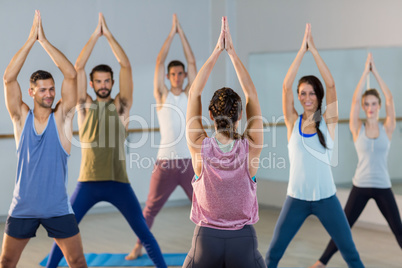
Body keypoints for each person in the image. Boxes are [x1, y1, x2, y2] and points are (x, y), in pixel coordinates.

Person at [46, 13, 167, 268]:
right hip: (88, 182)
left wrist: (108, 36)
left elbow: (126, 66)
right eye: (98, 81)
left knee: (143, 232)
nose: (103, 85)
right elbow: (77, 68)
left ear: (112, 83)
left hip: (118, 183)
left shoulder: (122, 105)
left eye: (107, 81)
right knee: (65, 232)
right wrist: (94, 36)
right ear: (91, 84)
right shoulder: (84, 105)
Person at [265, 24, 364, 268]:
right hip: (296, 200)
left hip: (326, 199)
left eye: (311, 93)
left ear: (318, 97)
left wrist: (314, 50)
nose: (306, 98)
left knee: (350, 253)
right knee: (272, 255)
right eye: (303, 93)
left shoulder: (327, 122)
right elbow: (285, 86)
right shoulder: (292, 122)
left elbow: (331, 86)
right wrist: (301, 51)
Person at [1, 10, 87, 268]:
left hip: (57, 208)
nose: (49, 93)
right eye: (43, 89)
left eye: (51, 89)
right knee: (6, 262)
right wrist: (30, 40)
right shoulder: (21, 117)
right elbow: (8, 78)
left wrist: (44, 41)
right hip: (23, 206)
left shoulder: (61, 117)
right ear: (31, 92)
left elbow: (71, 75)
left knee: (77, 261)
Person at [182, 17, 266, 268]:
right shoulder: (251, 145)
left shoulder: (199, 145)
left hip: (205, 241)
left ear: (210, 115)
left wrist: (217, 51)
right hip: (244, 242)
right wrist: (232, 53)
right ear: (240, 115)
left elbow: (194, 93)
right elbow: (251, 94)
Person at [311, 53, 402, 268]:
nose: (370, 108)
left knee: (398, 230)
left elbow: (390, 99)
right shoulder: (357, 128)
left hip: (382, 186)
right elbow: (353, 100)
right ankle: (321, 262)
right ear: (363, 107)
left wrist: (375, 72)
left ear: (378, 106)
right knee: (343, 228)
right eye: (366, 104)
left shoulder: (386, 128)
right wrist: (364, 72)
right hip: (360, 186)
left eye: (373, 104)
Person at [126, 14, 197, 260]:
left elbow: (192, 60)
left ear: (185, 76)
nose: (178, 76)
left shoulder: (191, 94)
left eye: (181, 73)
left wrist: (182, 35)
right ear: (168, 77)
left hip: (189, 163)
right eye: (173, 74)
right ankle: (138, 245)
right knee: (150, 209)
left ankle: (208, 245)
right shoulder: (162, 96)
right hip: (165, 163)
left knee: (203, 207)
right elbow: (159, 60)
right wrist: (171, 34)